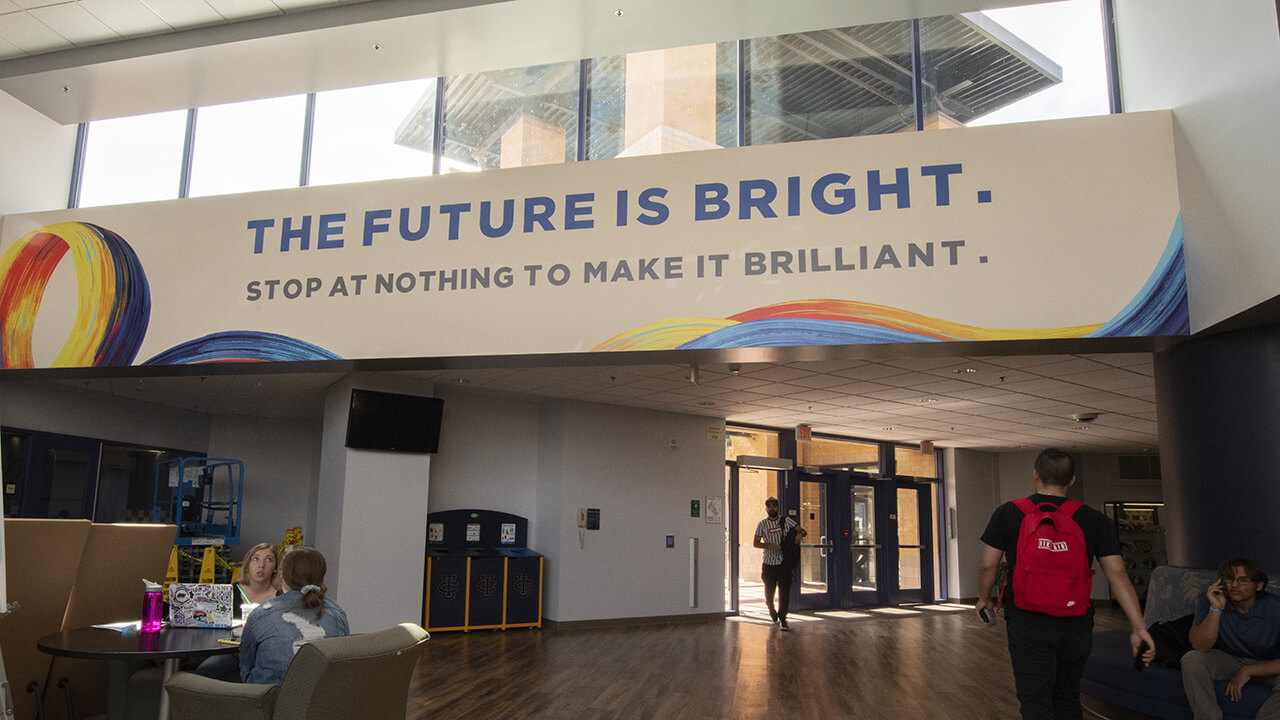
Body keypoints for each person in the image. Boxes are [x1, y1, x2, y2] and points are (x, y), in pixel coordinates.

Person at [976, 448, 1154, 720]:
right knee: (1068, 697)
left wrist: (984, 598)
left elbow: (988, 565)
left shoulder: (1009, 513)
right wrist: (1138, 627)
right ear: (1072, 480)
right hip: (1076, 623)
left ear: (1035, 475)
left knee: (1035, 701)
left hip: (1027, 621)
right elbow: (1118, 574)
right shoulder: (1095, 519)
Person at [1182, 557, 1280, 719]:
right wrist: (1216, 608)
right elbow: (1200, 646)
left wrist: (1248, 671)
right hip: (1229, 659)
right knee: (1192, 660)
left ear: (1259, 585)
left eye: (1243, 580)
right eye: (1229, 579)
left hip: (1268, 663)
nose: (1234, 585)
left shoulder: (1275, 608)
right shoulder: (1208, 600)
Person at [239, 546, 350, 685]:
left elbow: (245, 668)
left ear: (284, 577)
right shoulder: (338, 613)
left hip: (269, 697)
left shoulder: (260, 614)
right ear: (321, 576)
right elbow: (342, 663)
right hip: (324, 695)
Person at [193, 542, 284, 680]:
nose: (261, 565)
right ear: (247, 565)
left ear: (275, 568)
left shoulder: (281, 596)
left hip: (266, 654)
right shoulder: (230, 591)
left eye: (268, 560)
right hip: (231, 651)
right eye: (255, 559)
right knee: (207, 670)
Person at [753, 496, 807, 631]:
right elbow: (756, 543)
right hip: (769, 564)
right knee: (769, 591)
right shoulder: (762, 524)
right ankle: (770, 607)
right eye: (769, 506)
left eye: (774, 506)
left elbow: (803, 530)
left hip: (784, 563)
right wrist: (768, 545)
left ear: (778, 507)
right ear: (766, 509)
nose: (772, 508)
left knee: (784, 592)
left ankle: (783, 618)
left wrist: (800, 534)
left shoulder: (786, 520)